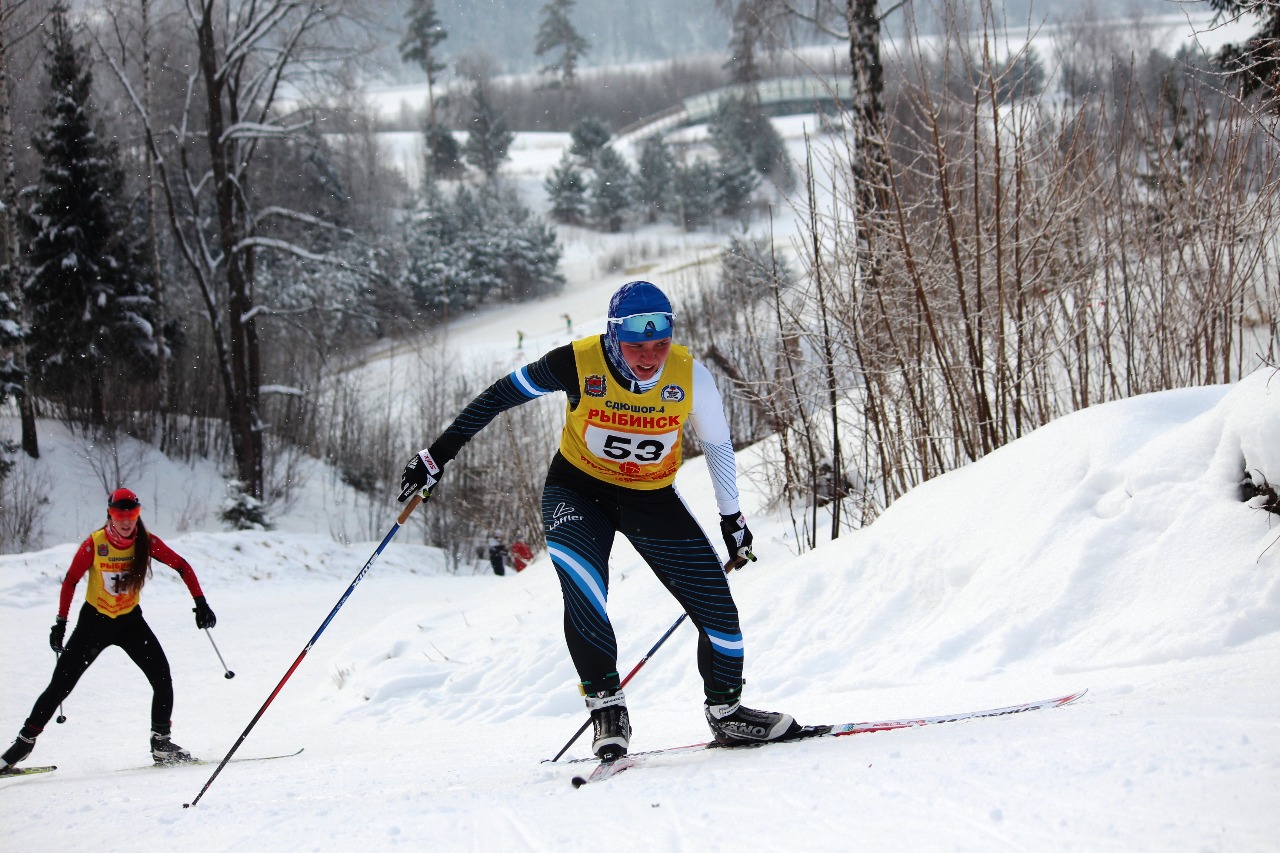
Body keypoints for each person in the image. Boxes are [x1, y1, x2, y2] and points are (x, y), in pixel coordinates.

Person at [398, 280, 803, 760]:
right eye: (636, 346)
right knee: (585, 589)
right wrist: (438, 454)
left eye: (660, 344)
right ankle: (607, 709)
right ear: (614, 335)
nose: (649, 357)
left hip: (650, 498)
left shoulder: (691, 376)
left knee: (718, 609)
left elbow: (717, 446)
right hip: (578, 491)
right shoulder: (577, 362)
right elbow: (499, 396)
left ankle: (727, 712)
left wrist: (732, 519)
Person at [1, 488, 217, 769]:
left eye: (132, 514)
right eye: (119, 514)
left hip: (130, 623)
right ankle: (22, 744)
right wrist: (60, 624)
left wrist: (201, 603)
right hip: (95, 623)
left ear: (137, 514)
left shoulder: (146, 541)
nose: (126, 521)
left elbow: (182, 566)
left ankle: (161, 743)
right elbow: (70, 581)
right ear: (110, 515)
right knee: (60, 685)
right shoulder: (95, 544)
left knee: (162, 678)